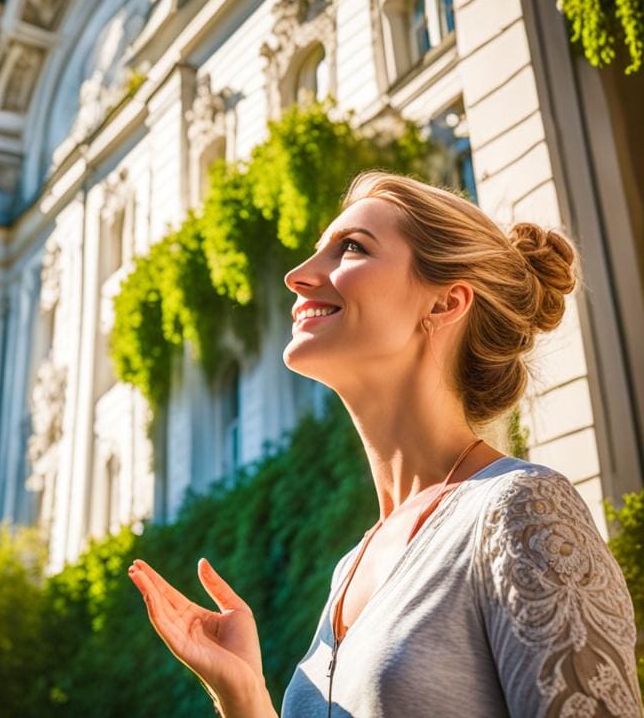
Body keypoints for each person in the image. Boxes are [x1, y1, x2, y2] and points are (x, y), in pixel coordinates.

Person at [127, 170, 643, 717]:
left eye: (350, 248)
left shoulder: (522, 509)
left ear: (445, 304)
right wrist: (245, 695)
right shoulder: (349, 567)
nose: (298, 276)